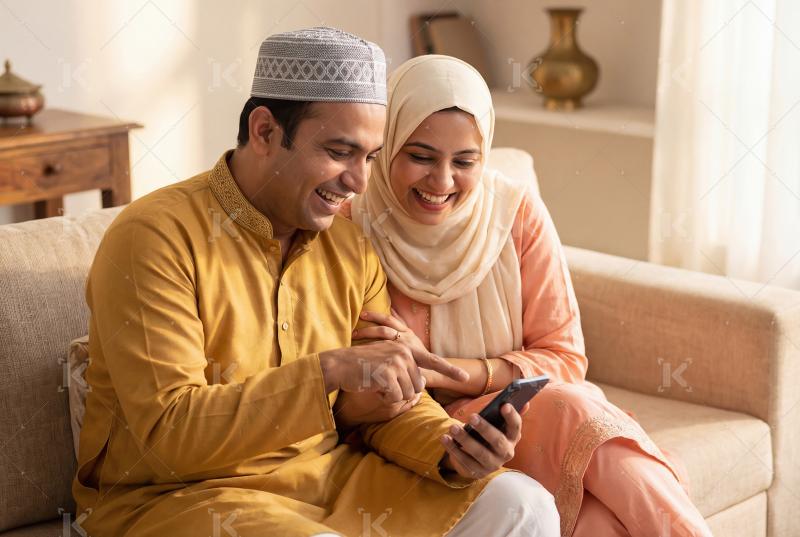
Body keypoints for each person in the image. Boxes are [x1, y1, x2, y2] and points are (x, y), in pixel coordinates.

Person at [72, 29, 559, 537]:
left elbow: (382, 408)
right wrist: (328, 370)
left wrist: (454, 450)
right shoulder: (154, 237)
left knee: (521, 502)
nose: (359, 181)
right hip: (179, 497)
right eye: (339, 151)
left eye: (369, 157)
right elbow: (167, 433)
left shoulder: (350, 249)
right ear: (263, 132)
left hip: (330, 481)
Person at [343, 54, 713, 537]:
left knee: (598, 508)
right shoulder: (350, 228)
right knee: (572, 419)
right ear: (387, 143)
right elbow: (354, 390)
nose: (443, 181)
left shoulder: (515, 213)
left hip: (518, 412)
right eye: (420, 156)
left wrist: (462, 372)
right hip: (424, 432)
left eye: (465, 161)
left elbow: (563, 355)